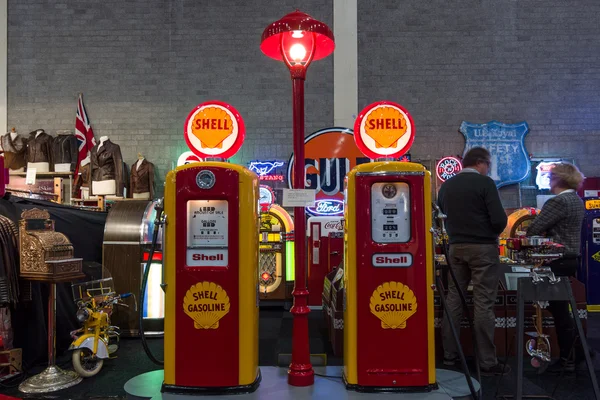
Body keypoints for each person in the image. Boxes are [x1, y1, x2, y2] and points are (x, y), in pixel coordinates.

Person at [437, 147, 509, 376]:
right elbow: (499, 220)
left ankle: (449, 355)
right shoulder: (485, 185)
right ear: (481, 162)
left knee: (454, 299)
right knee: (483, 303)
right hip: (483, 250)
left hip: (455, 248)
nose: (488, 171)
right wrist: (489, 231)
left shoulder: (446, 186)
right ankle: (487, 362)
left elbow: (441, 218)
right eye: (488, 166)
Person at [526, 162, 586, 373]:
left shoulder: (558, 202)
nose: (548, 181)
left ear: (559, 179)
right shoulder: (576, 200)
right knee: (560, 309)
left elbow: (533, 228)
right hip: (571, 259)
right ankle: (578, 352)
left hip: (556, 261)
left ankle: (570, 357)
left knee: (558, 310)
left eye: (551, 177)